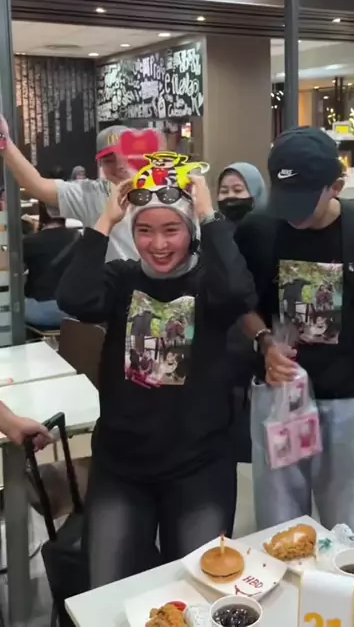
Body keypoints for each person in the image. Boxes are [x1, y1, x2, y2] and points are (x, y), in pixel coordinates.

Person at [56, 174, 256, 587]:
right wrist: (105, 221)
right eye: (144, 230)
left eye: (171, 230)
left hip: (199, 467)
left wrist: (208, 214)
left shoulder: (210, 286)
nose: (158, 244)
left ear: (191, 231)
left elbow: (239, 292)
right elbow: (74, 298)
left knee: (200, 590)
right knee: (109, 592)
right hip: (122, 467)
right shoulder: (122, 279)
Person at [235, 127, 354, 558]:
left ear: (335, 186)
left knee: (352, 518)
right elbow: (240, 303)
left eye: (303, 200)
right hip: (280, 393)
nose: (291, 214)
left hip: (351, 394)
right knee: (279, 519)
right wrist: (263, 341)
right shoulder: (257, 229)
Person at [0, 117, 134, 260]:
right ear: (100, 164)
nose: (120, 166)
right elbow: (37, 185)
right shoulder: (91, 195)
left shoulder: (153, 191)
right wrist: (4, 141)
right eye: (109, 160)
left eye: (127, 156)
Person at [217, 162, 268, 463]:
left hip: (264, 334)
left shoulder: (270, 232)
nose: (230, 197)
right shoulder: (214, 232)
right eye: (224, 191)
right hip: (225, 337)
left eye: (238, 189)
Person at [23, 203, 78, 329]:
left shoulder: (31, 241)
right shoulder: (79, 237)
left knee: (10, 308)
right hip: (75, 312)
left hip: (42, 312)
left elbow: (12, 268)